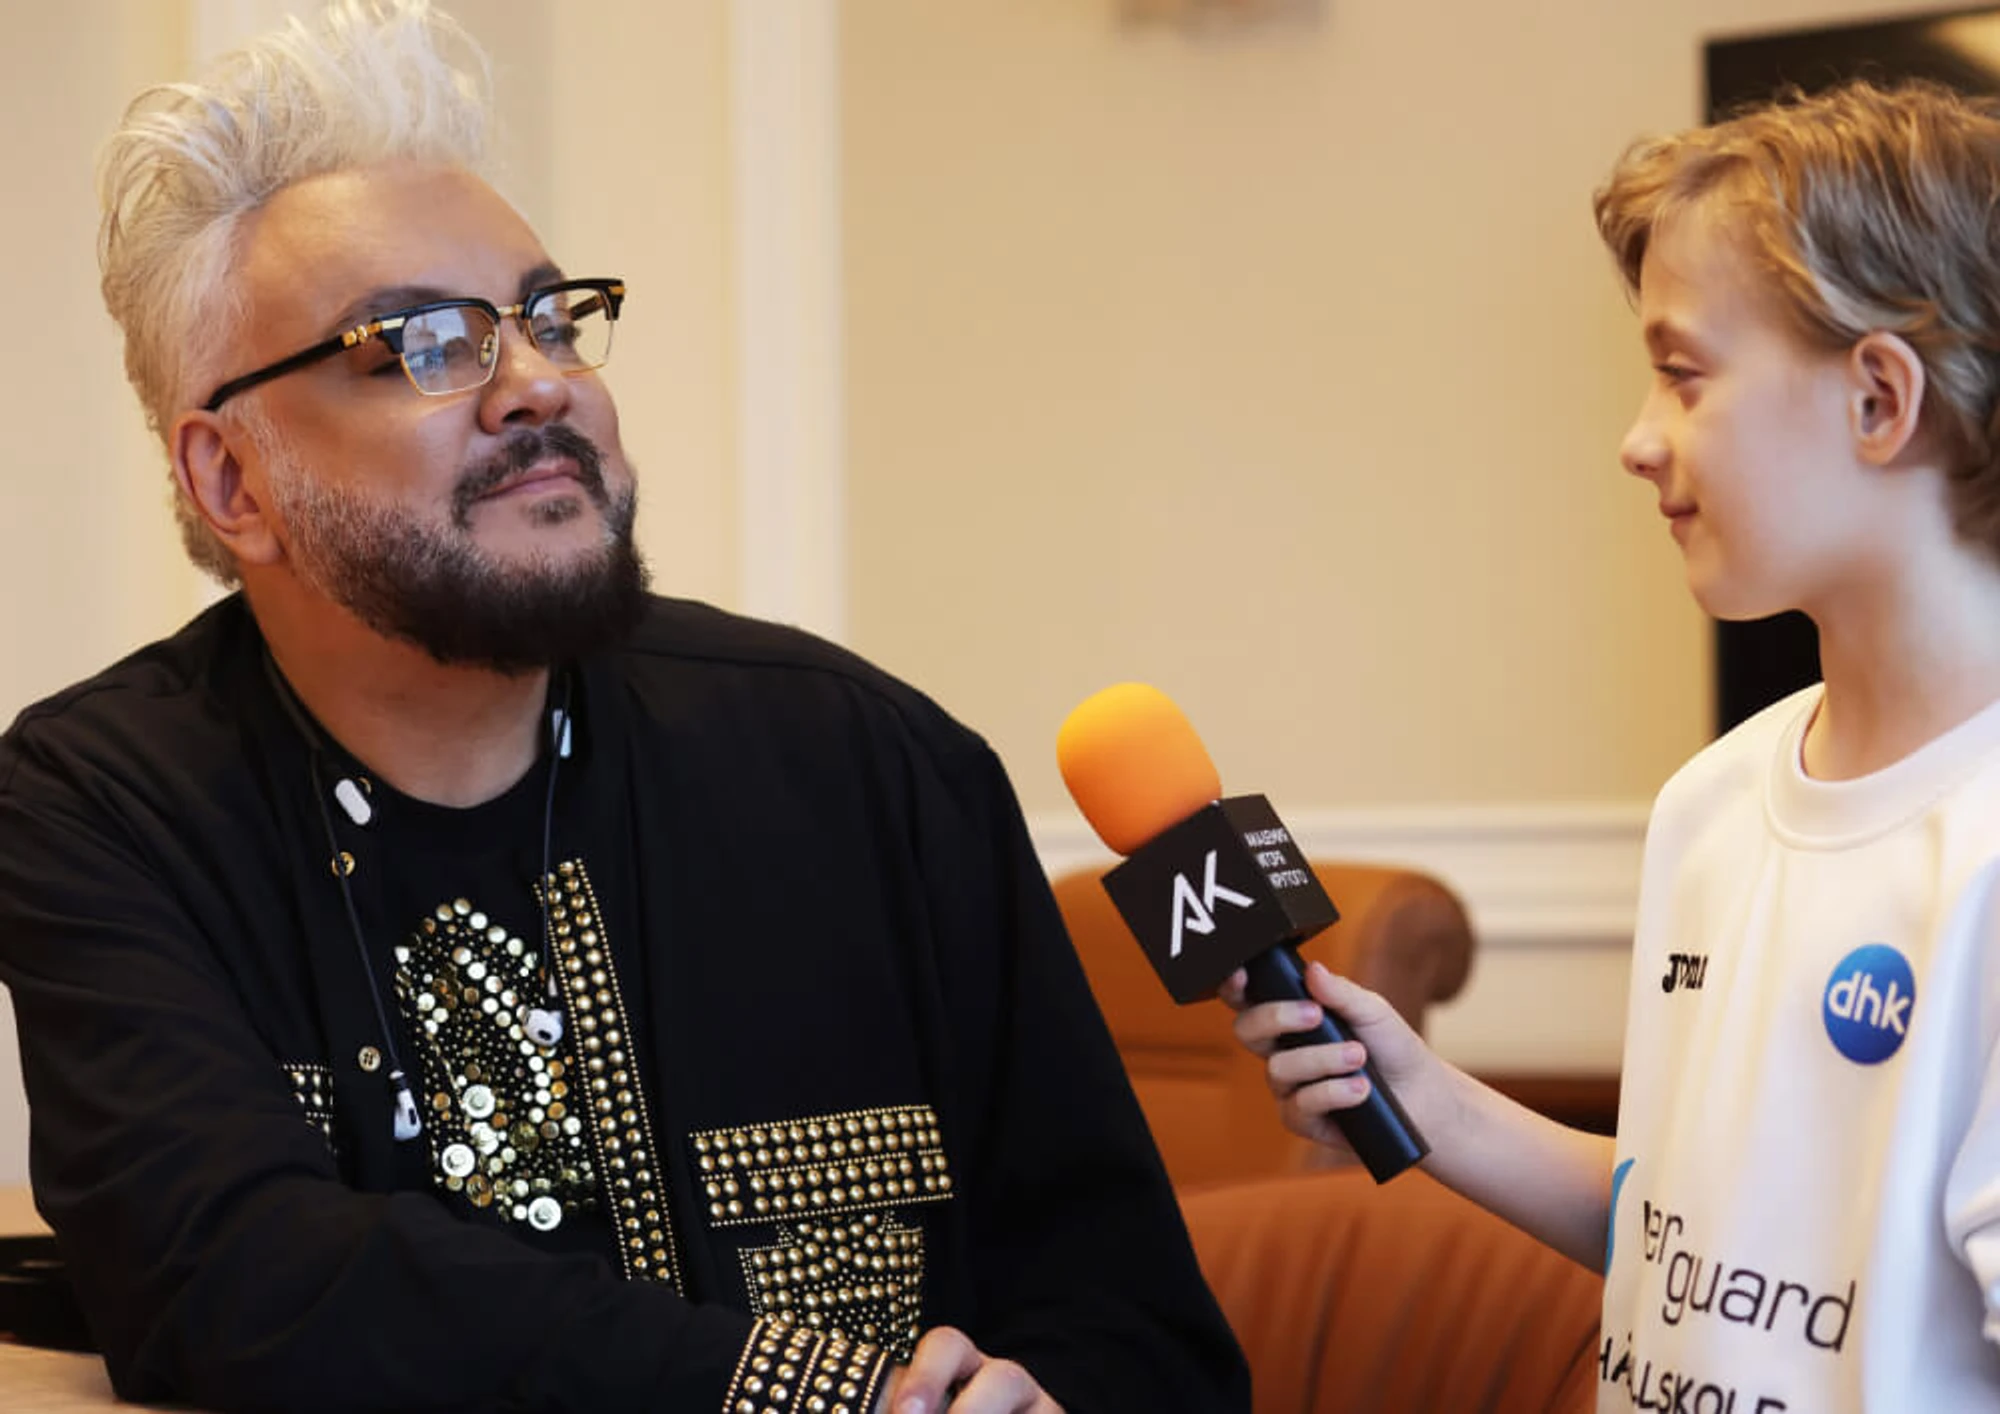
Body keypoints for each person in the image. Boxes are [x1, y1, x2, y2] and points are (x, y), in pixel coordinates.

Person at [0, 4, 1248, 1412]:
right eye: (424, 343)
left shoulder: (866, 764)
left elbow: (1142, 1338)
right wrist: (808, 1395)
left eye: (549, 321)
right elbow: (234, 1277)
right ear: (233, 480)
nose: (538, 386)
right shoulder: (106, 806)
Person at [1229, 78, 2000, 1412]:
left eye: (1683, 375)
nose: (1637, 441)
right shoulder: (1711, 806)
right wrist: (1423, 1096)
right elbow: (1680, 1233)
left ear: (1880, 399)